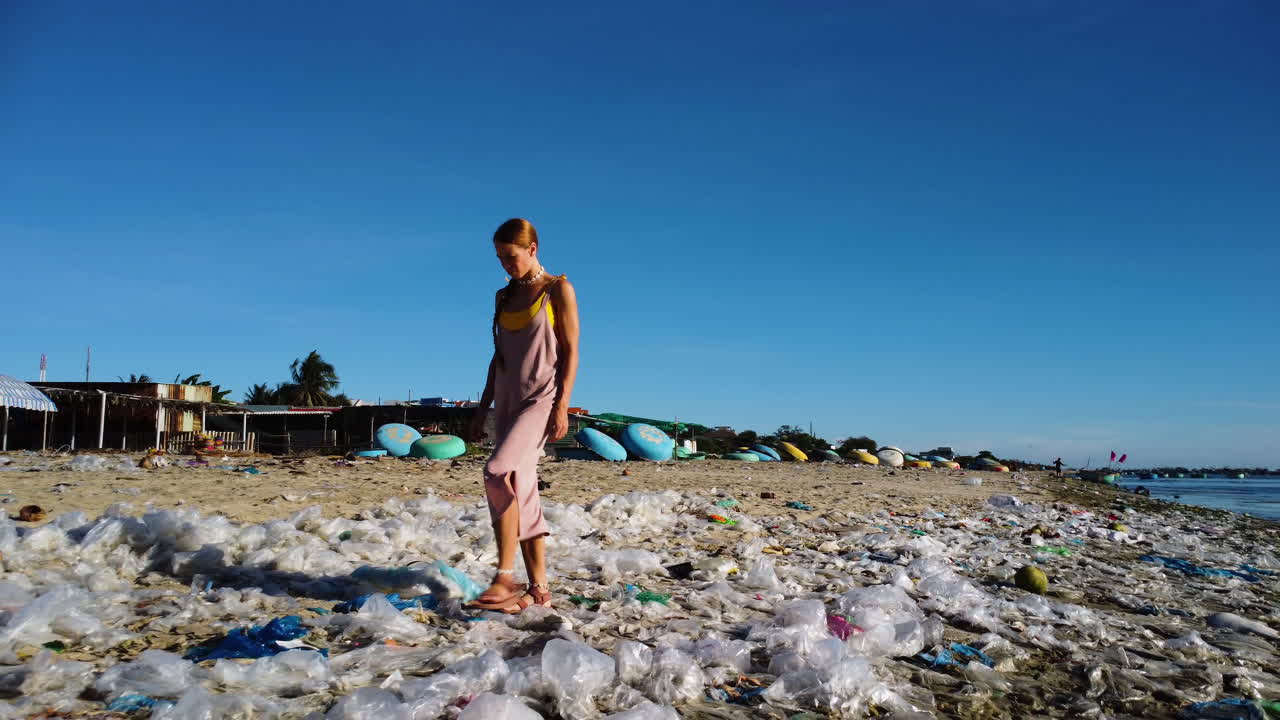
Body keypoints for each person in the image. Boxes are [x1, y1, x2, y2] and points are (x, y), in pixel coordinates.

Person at [467, 218, 579, 613]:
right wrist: (483, 408)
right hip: (508, 403)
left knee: (497, 471)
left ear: (532, 249)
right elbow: (498, 358)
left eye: (511, 257)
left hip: (541, 399)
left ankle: (504, 575)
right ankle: (539, 590)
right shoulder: (502, 297)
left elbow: (570, 352)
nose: (505, 265)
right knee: (522, 486)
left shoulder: (557, 289)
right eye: (499, 258)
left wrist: (563, 404)